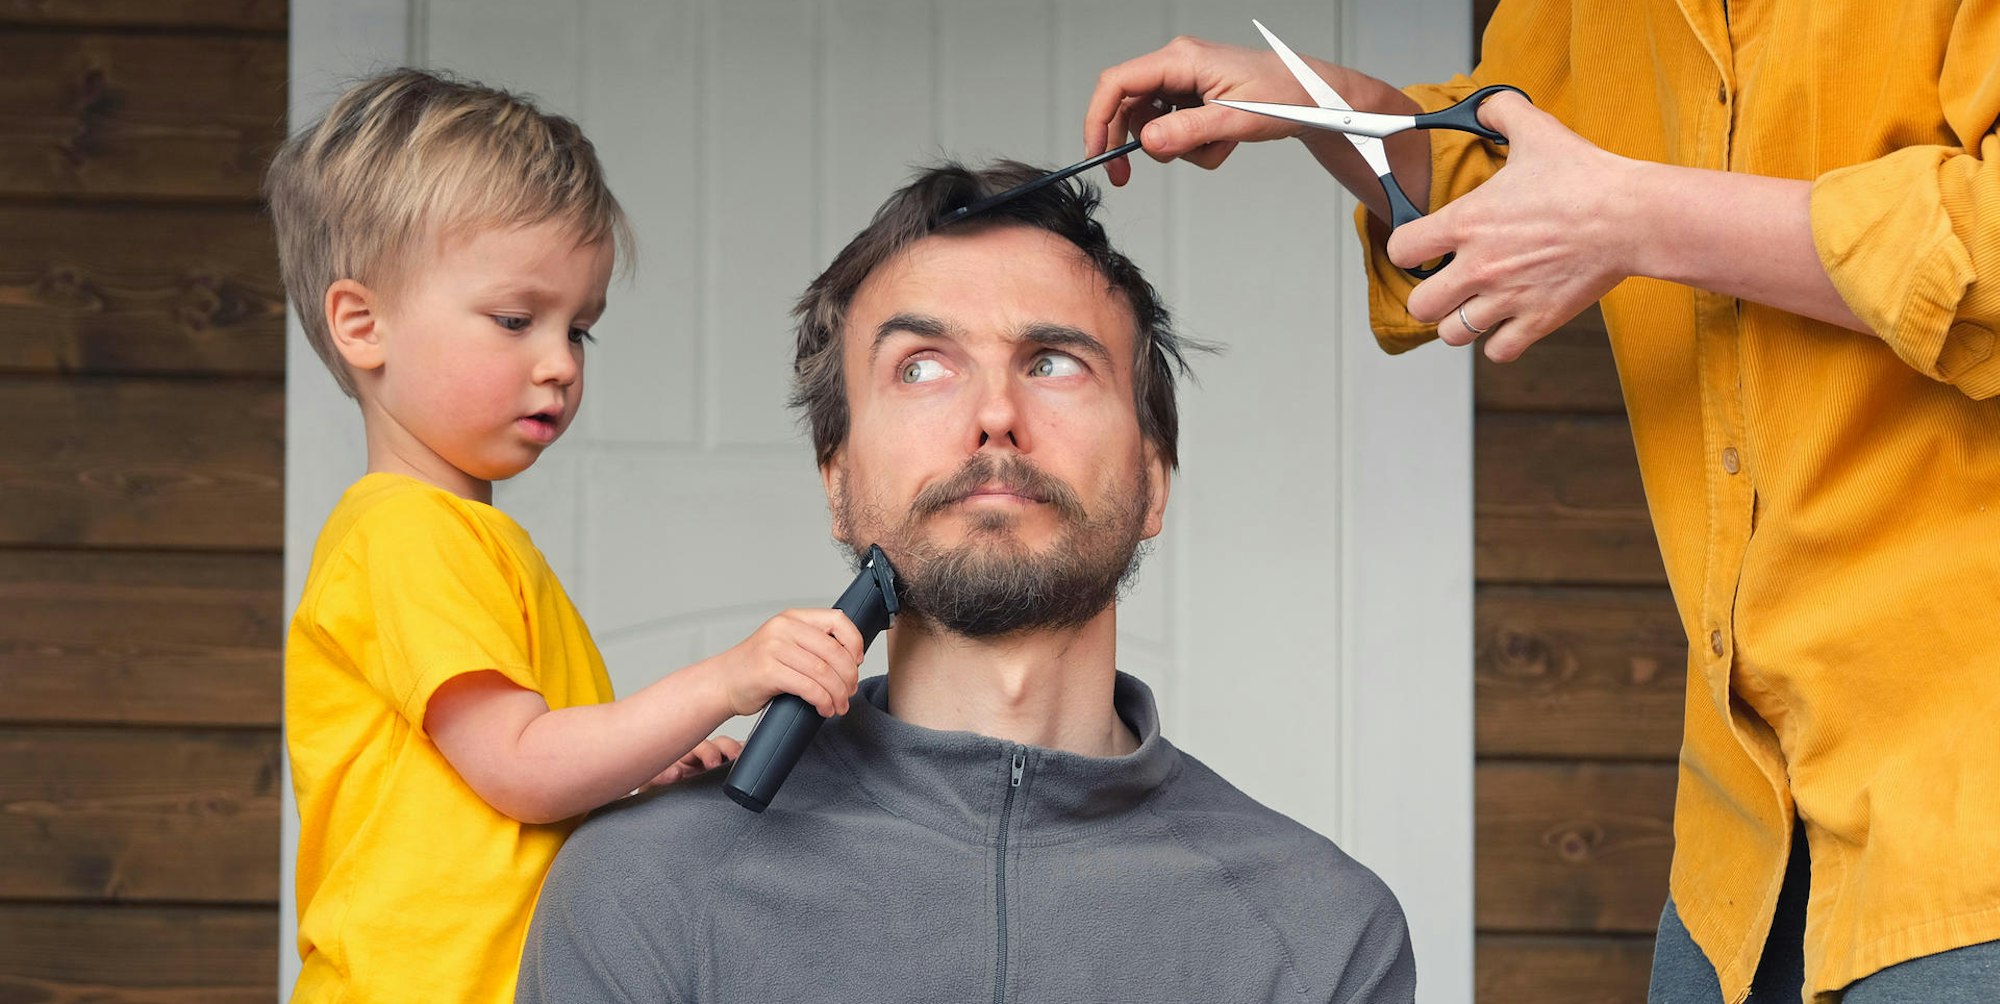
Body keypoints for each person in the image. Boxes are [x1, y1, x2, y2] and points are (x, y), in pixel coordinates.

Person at [1083, 4, 2000, 1003]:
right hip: (1739, 849)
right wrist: (1321, 105)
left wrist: (1640, 219)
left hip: (1967, 817)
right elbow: (1509, 167)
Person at [515, 161, 1418, 1004]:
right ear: (839, 485)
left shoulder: (1324, 934)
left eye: (1054, 362)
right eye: (922, 367)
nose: (994, 416)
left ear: (1155, 481)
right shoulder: (641, 892)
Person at [269, 69, 869, 1002]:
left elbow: (505, 786)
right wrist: (724, 681)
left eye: (578, 330)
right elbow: (520, 769)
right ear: (362, 323)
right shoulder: (403, 536)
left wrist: (636, 768)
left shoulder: (466, 538)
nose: (557, 364)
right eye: (516, 320)